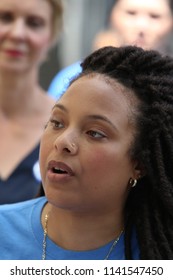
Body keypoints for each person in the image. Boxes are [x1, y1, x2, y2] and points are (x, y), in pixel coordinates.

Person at [0, 45, 173, 260]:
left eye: (95, 133)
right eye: (57, 122)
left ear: (139, 164)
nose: (63, 142)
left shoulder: (157, 254)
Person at [0, 0, 63, 204]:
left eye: (34, 23)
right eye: (5, 17)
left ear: (51, 36)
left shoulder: (66, 129)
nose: (17, 33)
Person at [48, 0, 173, 100]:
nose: (142, 26)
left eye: (155, 16)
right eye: (131, 13)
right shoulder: (74, 77)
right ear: (111, 16)